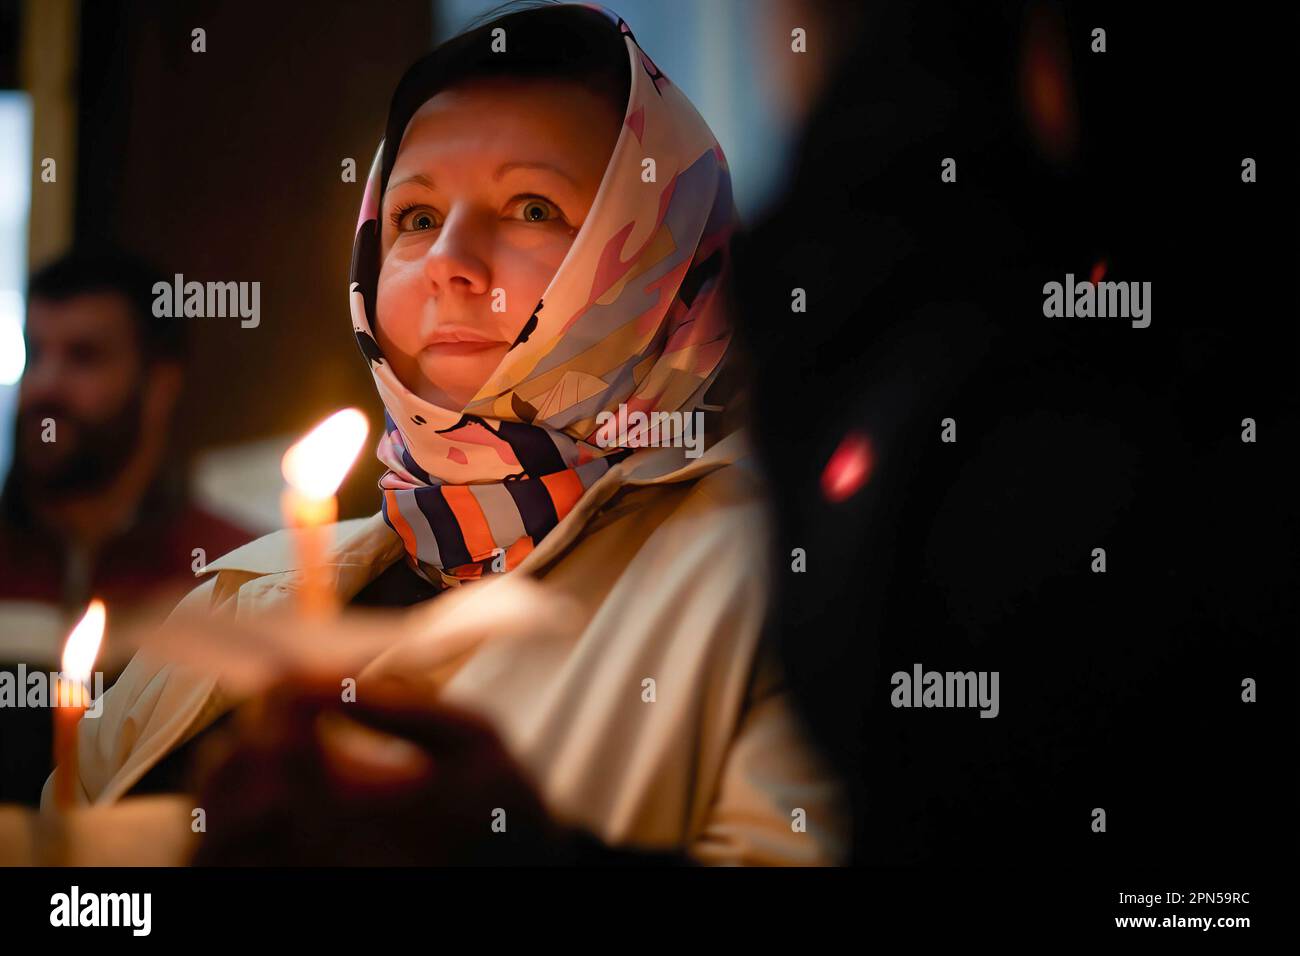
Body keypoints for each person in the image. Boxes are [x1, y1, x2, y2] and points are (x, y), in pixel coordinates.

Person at [45, 1, 849, 866]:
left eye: (533, 207)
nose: (448, 263)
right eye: (416, 218)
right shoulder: (252, 588)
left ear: (666, 257)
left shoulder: (777, 577)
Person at [0, 249, 254, 806]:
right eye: (34, 353)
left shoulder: (232, 572)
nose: (44, 386)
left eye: (83, 357)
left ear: (159, 383)